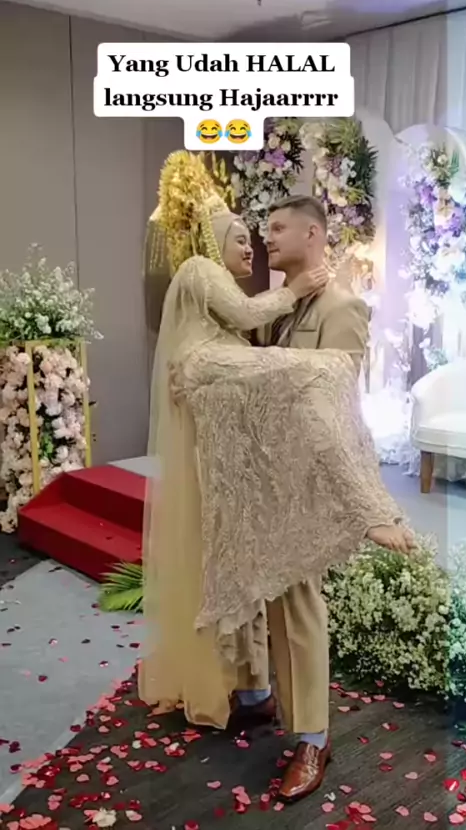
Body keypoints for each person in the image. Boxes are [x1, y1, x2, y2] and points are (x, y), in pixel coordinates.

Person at [140, 152, 413, 802]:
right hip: (265, 480)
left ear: (313, 234)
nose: (265, 240)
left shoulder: (343, 308)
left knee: (300, 611)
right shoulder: (268, 306)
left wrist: (364, 504)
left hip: (306, 486)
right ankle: (259, 696)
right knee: (262, 596)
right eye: (258, 232)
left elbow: (331, 408)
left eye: (277, 230)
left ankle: (313, 739)